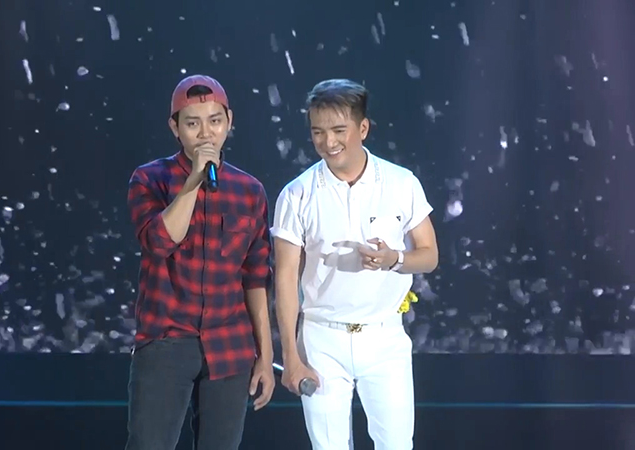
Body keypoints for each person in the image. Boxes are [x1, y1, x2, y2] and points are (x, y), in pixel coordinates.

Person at [271, 79, 439, 450]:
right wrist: (291, 356)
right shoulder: (296, 194)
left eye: (338, 130)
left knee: (396, 444)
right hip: (321, 338)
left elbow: (429, 255)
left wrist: (394, 259)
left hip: (384, 336)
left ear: (363, 128)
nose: (327, 142)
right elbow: (285, 278)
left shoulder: (401, 183)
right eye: (317, 131)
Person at [125, 74, 275, 450]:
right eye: (193, 123)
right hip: (167, 339)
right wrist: (192, 183)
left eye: (215, 121)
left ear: (229, 121)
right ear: (174, 127)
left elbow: (256, 277)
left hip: (231, 342)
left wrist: (265, 354)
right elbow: (159, 242)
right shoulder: (149, 179)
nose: (206, 133)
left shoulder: (250, 191)